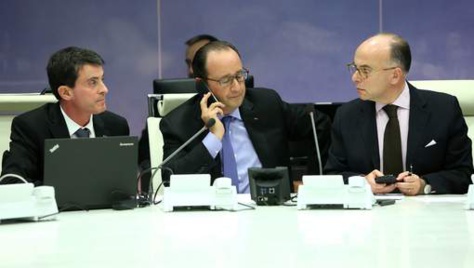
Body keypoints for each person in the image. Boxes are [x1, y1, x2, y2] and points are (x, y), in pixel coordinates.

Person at [159, 40, 331, 193]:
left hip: (270, 212)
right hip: (211, 218)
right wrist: (213, 137)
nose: (237, 87)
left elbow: (319, 125)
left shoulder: (267, 104)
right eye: (225, 80)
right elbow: (169, 179)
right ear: (202, 85)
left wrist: (314, 181)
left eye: (239, 75)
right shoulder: (177, 122)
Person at [324, 33, 473, 195]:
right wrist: (362, 182)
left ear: (395, 75)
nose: (355, 77)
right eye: (354, 68)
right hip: (369, 213)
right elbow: (333, 174)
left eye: (365, 70)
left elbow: (462, 173)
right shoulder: (346, 115)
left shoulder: (444, 110)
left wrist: (424, 185)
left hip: (428, 212)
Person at [1, 46, 130, 185]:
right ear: (66, 93)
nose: (104, 89)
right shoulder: (31, 127)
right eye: (93, 82)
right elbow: (12, 181)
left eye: (102, 80)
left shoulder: (116, 126)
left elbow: (122, 184)